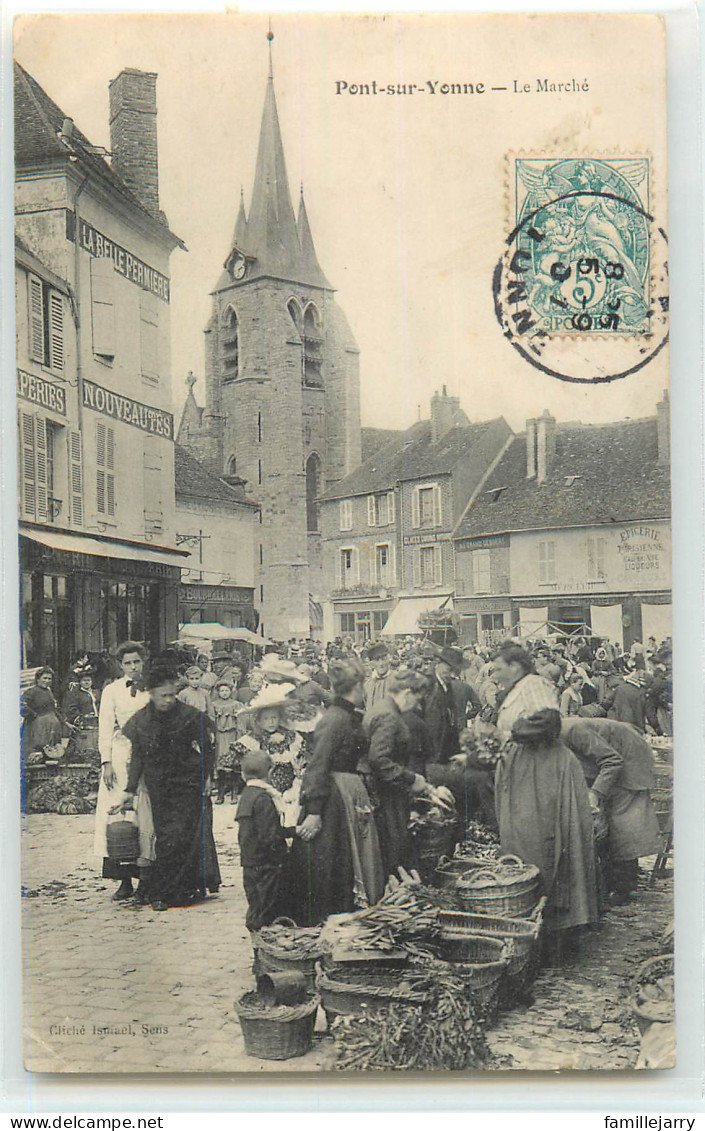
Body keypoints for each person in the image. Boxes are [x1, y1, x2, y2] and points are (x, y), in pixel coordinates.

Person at [492, 644, 598, 948]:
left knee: (540, 838)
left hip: (542, 770)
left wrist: (511, 735)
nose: (495, 673)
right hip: (525, 768)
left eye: (499, 666)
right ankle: (534, 914)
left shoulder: (534, 684)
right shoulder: (515, 689)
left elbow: (549, 722)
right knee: (522, 838)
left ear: (516, 666)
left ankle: (554, 922)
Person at [117, 663, 221, 912]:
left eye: (172, 695)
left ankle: (180, 891)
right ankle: (165, 890)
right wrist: (129, 790)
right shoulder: (141, 720)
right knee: (165, 838)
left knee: (184, 836)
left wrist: (207, 775)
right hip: (159, 786)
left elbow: (209, 745)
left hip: (188, 782)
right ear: (151, 694)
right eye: (163, 696)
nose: (169, 700)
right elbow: (138, 757)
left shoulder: (188, 715)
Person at [292, 657, 384, 925]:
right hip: (335, 796)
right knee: (333, 861)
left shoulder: (347, 715)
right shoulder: (334, 719)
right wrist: (313, 811)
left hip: (348, 792)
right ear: (356, 686)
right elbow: (317, 766)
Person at [562, 717, 661, 902]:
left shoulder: (572, 731)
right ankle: (611, 882)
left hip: (630, 760)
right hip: (616, 757)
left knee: (621, 824)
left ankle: (624, 888)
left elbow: (612, 761)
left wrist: (595, 793)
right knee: (607, 822)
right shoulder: (558, 735)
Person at [94, 642, 155, 902]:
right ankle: (124, 880)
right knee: (119, 816)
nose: (133, 667)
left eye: (137, 662)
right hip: (119, 758)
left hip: (148, 757)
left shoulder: (152, 688)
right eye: (128, 663)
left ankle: (147, 880)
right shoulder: (111, 690)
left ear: (144, 662)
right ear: (121, 665)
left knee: (145, 815)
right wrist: (106, 762)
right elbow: (105, 727)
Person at [365, 667, 433, 876]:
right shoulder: (389, 716)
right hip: (385, 792)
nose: (416, 705)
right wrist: (411, 778)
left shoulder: (383, 708)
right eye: (416, 699)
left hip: (386, 788)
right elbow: (378, 758)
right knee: (394, 843)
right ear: (407, 693)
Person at [236, 749, 295, 932]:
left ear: (243, 774)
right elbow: (269, 836)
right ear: (269, 773)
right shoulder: (264, 799)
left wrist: (292, 831)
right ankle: (262, 947)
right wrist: (284, 856)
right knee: (266, 910)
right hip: (265, 864)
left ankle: (257, 945)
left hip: (250, 863)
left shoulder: (247, 795)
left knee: (255, 906)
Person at [421, 646, 466, 763]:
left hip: (446, 748)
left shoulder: (448, 685)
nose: (451, 674)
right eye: (448, 669)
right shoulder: (427, 684)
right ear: (439, 663)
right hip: (431, 750)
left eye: (454, 671)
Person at [211, 679, 243, 803]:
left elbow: (241, 721)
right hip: (220, 736)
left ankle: (234, 793)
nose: (224, 693)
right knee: (220, 765)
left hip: (232, 735)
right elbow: (212, 721)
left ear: (231, 691)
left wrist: (240, 737)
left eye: (227, 690)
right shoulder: (214, 705)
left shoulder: (236, 704)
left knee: (234, 763)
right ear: (218, 692)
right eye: (222, 691)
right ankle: (220, 793)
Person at [21, 667, 63, 755]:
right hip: (36, 727)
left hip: (50, 727)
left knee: (50, 751)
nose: (47, 681)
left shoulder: (49, 692)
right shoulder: (31, 692)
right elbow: (21, 705)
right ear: (38, 679)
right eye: (44, 678)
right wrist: (34, 715)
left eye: (49, 679)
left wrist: (64, 721)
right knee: (37, 751)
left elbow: (53, 709)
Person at [363, 642, 392, 710]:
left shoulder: (397, 680)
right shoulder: (367, 685)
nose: (381, 664)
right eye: (377, 660)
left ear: (389, 660)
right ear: (371, 663)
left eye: (384, 659)